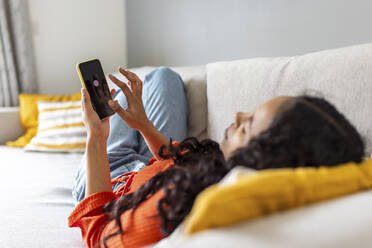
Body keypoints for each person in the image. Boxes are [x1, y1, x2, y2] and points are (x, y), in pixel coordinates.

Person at [68, 67, 365, 248]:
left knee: (106, 107)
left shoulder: (171, 208)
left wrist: (96, 136)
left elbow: (98, 232)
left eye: (246, 126)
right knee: (164, 77)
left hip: (113, 179)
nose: (236, 115)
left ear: (261, 158)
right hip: (154, 163)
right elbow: (178, 159)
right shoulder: (220, 168)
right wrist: (142, 124)